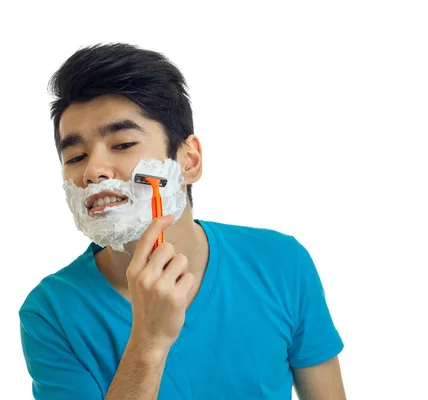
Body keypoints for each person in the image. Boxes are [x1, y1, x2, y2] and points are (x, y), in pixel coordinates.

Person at [19, 43, 346, 399]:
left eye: (123, 144)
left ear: (188, 161)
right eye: (76, 156)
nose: (93, 171)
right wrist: (149, 341)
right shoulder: (51, 312)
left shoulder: (282, 262)